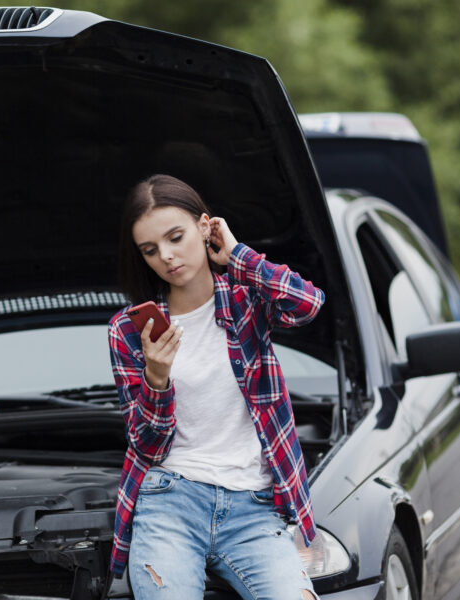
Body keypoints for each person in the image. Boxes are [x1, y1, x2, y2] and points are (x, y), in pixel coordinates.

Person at [107, 174, 324, 599]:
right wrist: (156, 378)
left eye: (176, 237)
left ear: (205, 227)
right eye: (150, 250)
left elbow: (307, 303)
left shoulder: (246, 299)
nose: (167, 257)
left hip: (255, 509)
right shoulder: (129, 331)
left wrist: (238, 255)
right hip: (171, 502)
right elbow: (146, 445)